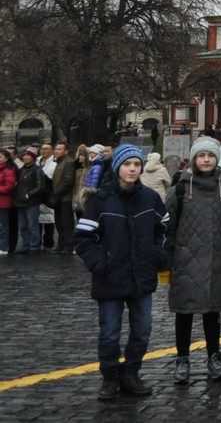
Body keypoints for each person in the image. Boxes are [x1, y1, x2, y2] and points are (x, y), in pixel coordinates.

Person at [73, 144, 171, 400]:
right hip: (110, 277)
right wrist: (99, 263)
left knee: (142, 331)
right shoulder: (100, 199)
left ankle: (131, 374)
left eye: (136, 164)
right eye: (127, 164)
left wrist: (157, 256)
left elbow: (164, 231)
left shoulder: (150, 198)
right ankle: (110, 377)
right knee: (109, 333)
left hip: (142, 276)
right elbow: (84, 238)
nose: (132, 169)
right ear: (117, 167)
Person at [165, 136, 221, 384]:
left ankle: (214, 356)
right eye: (201, 156)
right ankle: (182, 358)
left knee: (212, 313)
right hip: (186, 262)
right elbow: (168, 228)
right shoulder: (180, 190)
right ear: (194, 159)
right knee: (184, 313)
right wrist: (167, 262)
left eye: (210, 155)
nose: (206, 160)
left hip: (217, 260)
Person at [14, 147, 47, 253]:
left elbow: (41, 186)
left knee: (33, 225)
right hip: (20, 201)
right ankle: (26, 245)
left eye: (28, 155)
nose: (25, 157)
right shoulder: (22, 169)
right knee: (23, 226)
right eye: (24, 155)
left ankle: (34, 246)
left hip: (32, 202)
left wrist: (29, 195)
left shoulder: (37, 170)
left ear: (33, 157)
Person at [50, 141, 78, 255]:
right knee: (59, 223)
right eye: (56, 149)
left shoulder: (68, 162)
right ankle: (61, 244)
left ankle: (68, 245)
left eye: (60, 149)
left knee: (66, 223)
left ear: (66, 151)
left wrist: (57, 193)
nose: (57, 151)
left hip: (65, 198)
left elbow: (68, 180)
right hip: (58, 198)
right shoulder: (59, 162)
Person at [0, 149, 15, 254]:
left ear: (6, 158)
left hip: (3, 202)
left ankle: (3, 246)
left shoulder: (9, 170)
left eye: (0, 157)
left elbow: (8, 187)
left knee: (2, 225)